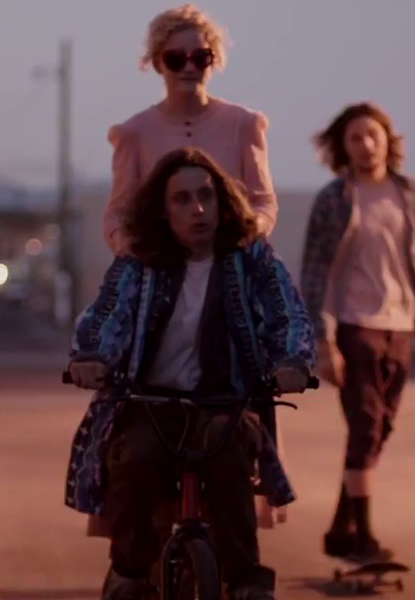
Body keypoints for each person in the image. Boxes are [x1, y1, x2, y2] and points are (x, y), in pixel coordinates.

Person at [65, 147, 315, 600]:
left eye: (206, 196)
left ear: (222, 202)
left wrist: (292, 361)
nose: (198, 208)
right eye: (182, 199)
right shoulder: (139, 263)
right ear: (162, 210)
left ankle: (245, 581)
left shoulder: (251, 258)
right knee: (134, 457)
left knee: (229, 452)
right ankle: (129, 572)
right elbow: (107, 315)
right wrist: (92, 356)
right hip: (151, 403)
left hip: (226, 402)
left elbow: (287, 314)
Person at [299, 102, 415, 563]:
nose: (365, 145)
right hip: (353, 324)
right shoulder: (334, 199)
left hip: (400, 325)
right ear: (343, 147)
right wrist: (324, 343)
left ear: (387, 140)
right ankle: (363, 537)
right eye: (355, 138)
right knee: (364, 427)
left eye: (373, 135)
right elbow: (315, 272)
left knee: (380, 429)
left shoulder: (412, 193)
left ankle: (340, 528)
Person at [103, 3, 278, 255]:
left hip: (231, 264)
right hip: (161, 266)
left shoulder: (245, 124)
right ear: (157, 63)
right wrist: (132, 249)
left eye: (200, 58)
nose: (189, 68)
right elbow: (117, 214)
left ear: (213, 61)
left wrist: (248, 234)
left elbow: (264, 202)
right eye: (175, 59)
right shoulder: (133, 133)